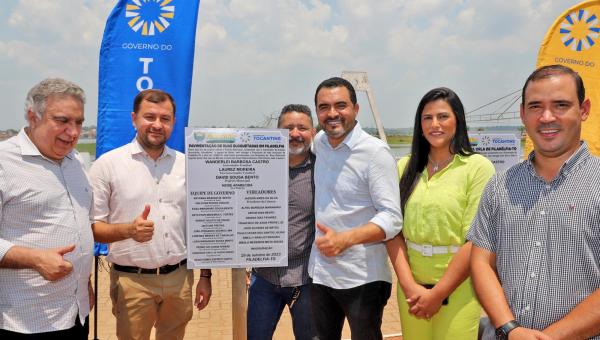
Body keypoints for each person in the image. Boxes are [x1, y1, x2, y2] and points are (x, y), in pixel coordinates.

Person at [468, 64, 600, 340]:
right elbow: (481, 262)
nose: (546, 117)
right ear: (522, 113)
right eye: (536, 106)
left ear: (584, 110)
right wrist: (510, 329)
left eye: (561, 105)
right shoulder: (500, 186)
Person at [89, 89, 212, 340]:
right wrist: (128, 231)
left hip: (179, 278)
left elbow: (201, 224)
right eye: (150, 117)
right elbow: (93, 227)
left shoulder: (186, 165)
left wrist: (206, 276)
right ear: (134, 118)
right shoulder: (107, 165)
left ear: (174, 123)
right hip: (132, 282)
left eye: (165, 119)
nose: (157, 125)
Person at [386, 87, 495, 339]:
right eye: (427, 118)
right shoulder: (405, 167)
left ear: (457, 119)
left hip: (460, 287)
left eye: (443, 116)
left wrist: (436, 295)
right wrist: (409, 285)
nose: (435, 124)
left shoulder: (477, 168)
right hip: (410, 288)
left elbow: (475, 240)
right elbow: (392, 231)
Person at [309, 77, 403, 340]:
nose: (332, 113)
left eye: (341, 105)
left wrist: (346, 239)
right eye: (324, 107)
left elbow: (392, 218)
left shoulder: (375, 153)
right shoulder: (320, 143)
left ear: (356, 109)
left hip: (363, 278)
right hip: (321, 275)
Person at [0, 78, 93, 338]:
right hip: (24, 320)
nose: (74, 132)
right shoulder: (4, 163)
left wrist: (84, 285)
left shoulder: (75, 163)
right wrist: (35, 259)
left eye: (78, 122)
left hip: (75, 313)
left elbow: (79, 226)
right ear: (33, 116)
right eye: (62, 120)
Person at [247, 104, 317, 340]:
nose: (295, 133)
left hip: (307, 280)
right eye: (288, 128)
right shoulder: (255, 167)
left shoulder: (324, 171)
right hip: (263, 278)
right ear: (277, 132)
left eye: (302, 128)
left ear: (313, 132)